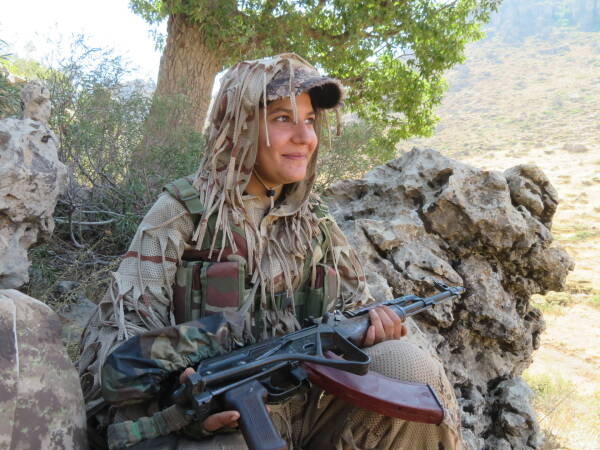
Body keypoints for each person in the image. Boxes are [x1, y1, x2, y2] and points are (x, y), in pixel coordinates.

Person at [78, 53, 461, 449]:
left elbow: (353, 308)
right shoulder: (183, 213)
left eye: (309, 120)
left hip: (303, 403)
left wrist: (373, 330)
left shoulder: (313, 219)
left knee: (409, 367)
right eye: (282, 118)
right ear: (240, 126)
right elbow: (122, 346)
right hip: (211, 421)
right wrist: (185, 399)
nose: (304, 137)